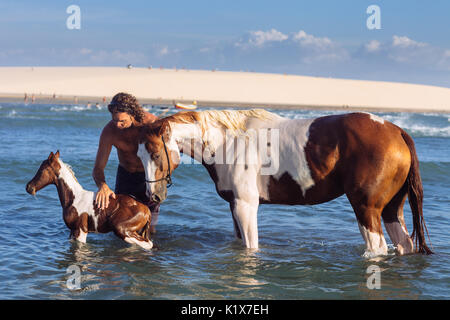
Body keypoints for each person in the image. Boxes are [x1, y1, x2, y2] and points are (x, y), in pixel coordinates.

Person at [93, 92, 160, 233]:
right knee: (119, 226)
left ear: (132, 114)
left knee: (149, 230)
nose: (117, 125)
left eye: (122, 121)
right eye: (114, 120)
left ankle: (149, 254)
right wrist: (102, 185)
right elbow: (98, 168)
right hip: (125, 177)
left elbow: (170, 151)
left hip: (149, 179)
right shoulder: (109, 131)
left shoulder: (151, 124)